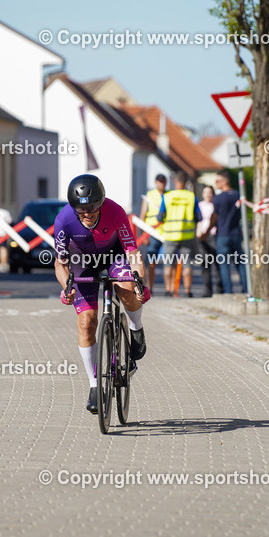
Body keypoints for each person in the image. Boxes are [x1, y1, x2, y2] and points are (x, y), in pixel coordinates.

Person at [55, 174, 150, 414]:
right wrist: (67, 286)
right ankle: (95, 385)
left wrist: (140, 281)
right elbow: (61, 262)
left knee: (127, 290)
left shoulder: (116, 212)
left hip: (114, 255)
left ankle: (136, 328)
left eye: (93, 208)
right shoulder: (64, 220)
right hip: (82, 261)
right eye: (82, 209)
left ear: (102, 202)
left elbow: (132, 252)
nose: (88, 213)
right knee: (87, 323)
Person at [158, 171, 202, 297]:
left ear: (175, 181)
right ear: (186, 182)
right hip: (187, 236)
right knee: (187, 264)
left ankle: (168, 290)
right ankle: (188, 291)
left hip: (170, 235)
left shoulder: (167, 196)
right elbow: (198, 216)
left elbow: (160, 217)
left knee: (168, 264)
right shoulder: (191, 196)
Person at [212, 169, 247, 294]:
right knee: (240, 264)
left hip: (223, 235)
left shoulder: (218, 198)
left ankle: (228, 291)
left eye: (218, 181)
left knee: (224, 265)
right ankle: (246, 289)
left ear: (224, 181)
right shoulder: (238, 195)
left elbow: (214, 216)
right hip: (236, 234)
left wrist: (209, 229)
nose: (216, 183)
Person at [138, 174, 167, 291]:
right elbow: (143, 215)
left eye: (164, 182)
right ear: (156, 182)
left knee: (170, 262)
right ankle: (150, 287)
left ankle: (169, 289)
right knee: (151, 263)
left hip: (166, 232)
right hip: (153, 232)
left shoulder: (169, 195)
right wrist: (144, 234)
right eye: (160, 182)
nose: (162, 184)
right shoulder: (150, 195)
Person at [196, 184, 224, 297]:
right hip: (202, 236)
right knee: (205, 263)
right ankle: (207, 289)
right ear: (203, 194)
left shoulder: (216, 205)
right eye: (205, 193)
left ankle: (219, 288)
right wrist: (198, 232)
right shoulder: (200, 205)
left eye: (210, 192)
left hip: (214, 235)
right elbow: (198, 220)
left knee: (216, 263)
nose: (208, 195)